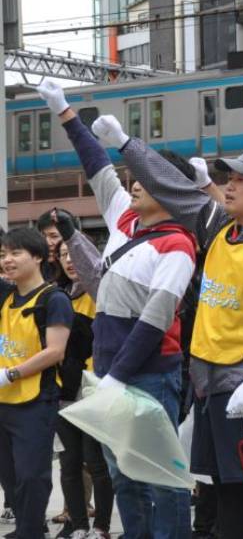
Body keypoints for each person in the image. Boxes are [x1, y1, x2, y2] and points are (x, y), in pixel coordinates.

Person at [88, 109, 243, 539]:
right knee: (223, 484)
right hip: (208, 382)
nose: (229, 185)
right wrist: (127, 143)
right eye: (228, 178)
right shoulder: (220, 226)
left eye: (241, 180)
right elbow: (173, 185)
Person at [35, 79, 198, 539]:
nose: (132, 182)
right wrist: (65, 111)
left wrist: (117, 376)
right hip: (112, 370)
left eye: (146, 177)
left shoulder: (178, 245)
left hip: (147, 373)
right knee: (124, 473)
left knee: (161, 478)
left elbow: (155, 320)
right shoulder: (126, 217)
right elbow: (96, 163)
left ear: (169, 187)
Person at [0, 228, 73, 539]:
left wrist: (11, 374)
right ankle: (25, 528)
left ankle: (31, 532)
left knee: (32, 476)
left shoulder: (53, 299)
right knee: (10, 475)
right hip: (3, 403)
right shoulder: (6, 296)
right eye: (3, 254)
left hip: (35, 402)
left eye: (16, 253)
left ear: (39, 256)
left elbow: (55, 351)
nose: (7, 260)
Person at [46, 234, 114, 539]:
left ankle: (101, 526)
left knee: (96, 462)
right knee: (69, 462)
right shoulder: (56, 295)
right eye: (63, 254)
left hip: (94, 388)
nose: (70, 259)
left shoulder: (102, 292)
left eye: (74, 252)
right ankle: (77, 524)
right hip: (62, 391)